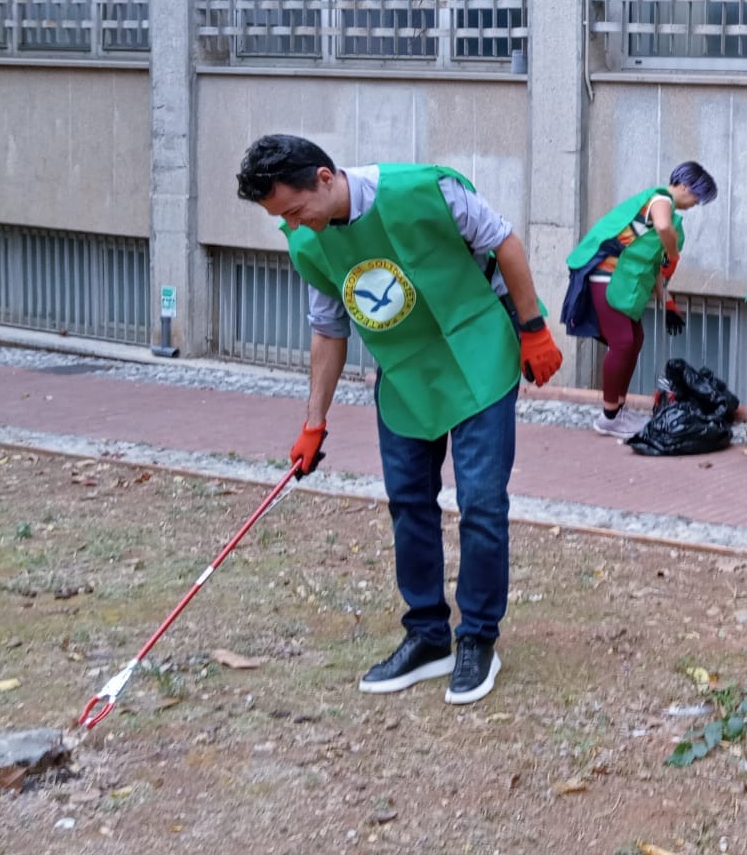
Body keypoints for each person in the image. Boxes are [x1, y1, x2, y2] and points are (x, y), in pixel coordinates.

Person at [235, 134, 562, 706]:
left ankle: (478, 640)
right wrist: (314, 422)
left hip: (477, 352)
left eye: (295, 210)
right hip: (406, 373)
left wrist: (533, 328)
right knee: (409, 502)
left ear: (325, 178)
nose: (295, 225)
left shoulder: (427, 190)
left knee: (482, 502)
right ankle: (427, 635)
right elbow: (328, 330)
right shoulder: (308, 243)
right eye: (280, 219)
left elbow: (505, 243)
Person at [562, 162, 719, 439]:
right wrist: (672, 252)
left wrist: (667, 304)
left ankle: (618, 409)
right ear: (684, 186)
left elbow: (654, 269)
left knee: (635, 339)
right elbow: (662, 228)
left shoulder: (669, 218)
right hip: (607, 277)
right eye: (697, 196)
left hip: (620, 282)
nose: (696, 203)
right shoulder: (661, 200)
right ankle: (609, 416)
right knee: (622, 342)